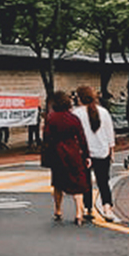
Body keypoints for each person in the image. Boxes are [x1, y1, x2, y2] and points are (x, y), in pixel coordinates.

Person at [42, 90, 91, 225]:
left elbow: (46, 137)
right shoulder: (74, 119)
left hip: (57, 153)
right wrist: (86, 155)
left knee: (58, 183)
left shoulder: (50, 118)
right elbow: (82, 138)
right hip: (73, 152)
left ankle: (58, 210)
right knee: (77, 183)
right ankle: (78, 214)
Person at [73, 85, 116, 222]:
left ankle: (88, 208)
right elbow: (110, 134)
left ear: (79, 98)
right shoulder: (104, 112)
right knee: (103, 181)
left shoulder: (76, 113)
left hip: (84, 154)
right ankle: (107, 208)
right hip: (102, 151)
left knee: (85, 182)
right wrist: (111, 151)